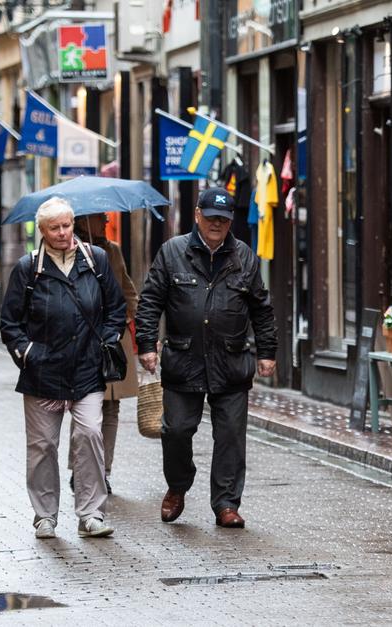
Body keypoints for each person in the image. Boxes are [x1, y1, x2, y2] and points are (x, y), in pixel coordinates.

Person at [135, 186, 277, 528]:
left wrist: (267, 352)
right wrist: (146, 343)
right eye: (211, 217)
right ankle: (178, 486)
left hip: (230, 361)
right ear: (197, 215)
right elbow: (151, 300)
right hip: (183, 359)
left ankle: (226, 504)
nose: (217, 225)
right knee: (177, 430)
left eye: (223, 220)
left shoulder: (244, 256)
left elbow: (262, 308)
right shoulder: (172, 252)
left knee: (230, 436)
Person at [0, 197, 126, 540]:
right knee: (42, 446)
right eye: (54, 228)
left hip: (87, 369)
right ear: (41, 231)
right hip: (43, 372)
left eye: (66, 225)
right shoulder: (29, 268)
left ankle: (91, 514)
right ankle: (45, 517)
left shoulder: (95, 259)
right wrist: (29, 354)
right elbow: (10, 323)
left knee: (89, 435)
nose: (62, 233)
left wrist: (107, 339)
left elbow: (115, 307)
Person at [70, 213, 139, 494]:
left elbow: (127, 290)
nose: (106, 222)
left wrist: (129, 319)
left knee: (111, 408)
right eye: (100, 217)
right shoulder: (68, 251)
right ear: (83, 220)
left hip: (112, 342)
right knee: (84, 408)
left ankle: (103, 471)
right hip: (82, 341)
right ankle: (79, 470)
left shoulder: (112, 250)